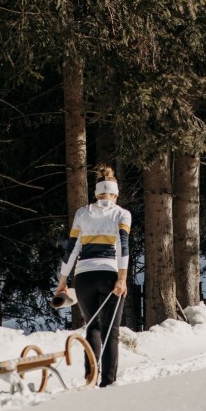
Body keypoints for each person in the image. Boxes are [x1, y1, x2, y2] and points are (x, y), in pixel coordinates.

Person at [54, 165, 131, 387]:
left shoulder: (82, 213)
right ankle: (108, 382)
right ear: (115, 194)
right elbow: (123, 245)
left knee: (93, 328)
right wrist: (122, 278)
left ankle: (90, 378)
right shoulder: (122, 214)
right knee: (111, 332)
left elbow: (72, 249)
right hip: (109, 275)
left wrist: (62, 281)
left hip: (83, 277)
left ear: (97, 194)